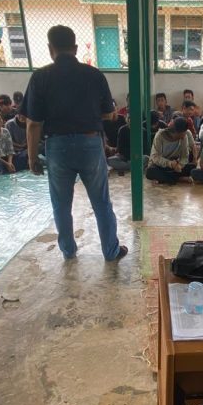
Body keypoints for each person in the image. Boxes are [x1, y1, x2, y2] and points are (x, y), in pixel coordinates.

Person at [23, 25, 126, 261]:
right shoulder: (94, 75)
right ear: (76, 48)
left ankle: (68, 251)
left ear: (50, 49)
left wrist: (31, 158)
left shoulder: (40, 76)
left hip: (57, 147)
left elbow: (33, 123)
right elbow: (109, 114)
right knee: (101, 202)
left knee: (61, 204)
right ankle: (110, 251)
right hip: (90, 143)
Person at [146, 117, 196, 185]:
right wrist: (170, 163)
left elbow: (185, 157)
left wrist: (180, 165)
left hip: (175, 166)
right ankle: (178, 178)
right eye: (183, 132)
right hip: (160, 165)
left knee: (192, 167)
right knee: (150, 172)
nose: (185, 134)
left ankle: (163, 179)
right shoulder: (160, 135)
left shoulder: (184, 137)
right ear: (177, 132)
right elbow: (155, 157)